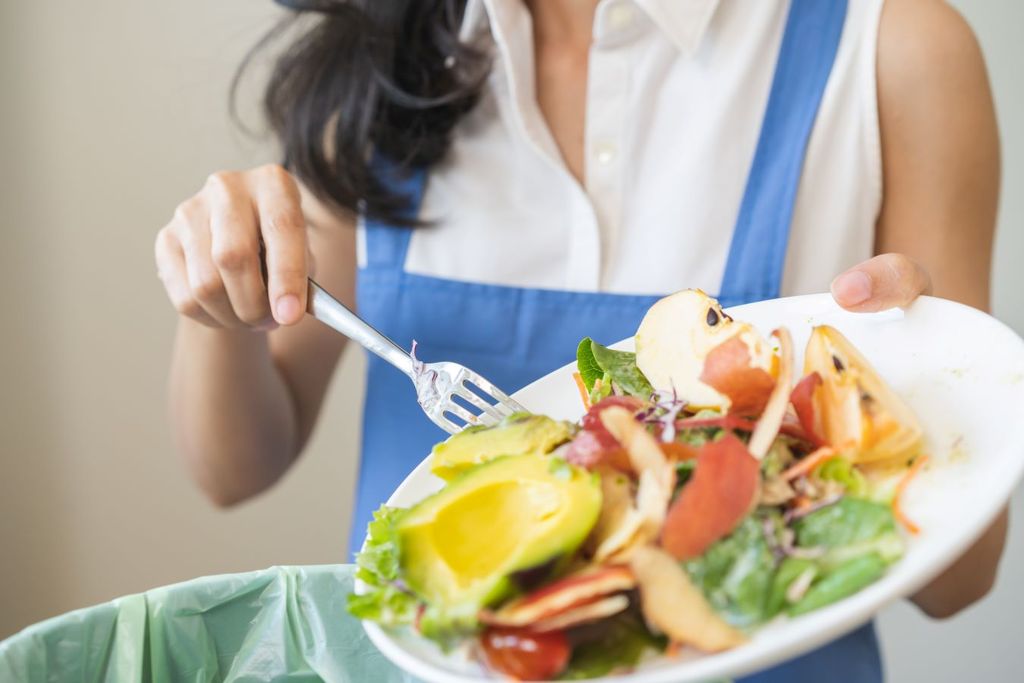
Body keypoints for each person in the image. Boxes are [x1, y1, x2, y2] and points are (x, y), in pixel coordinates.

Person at [154, 0, 1004, 679]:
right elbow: (234, 468)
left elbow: (963, 582)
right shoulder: (381, 61)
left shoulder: (894, 48)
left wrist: (914, 387)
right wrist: (221, 302)